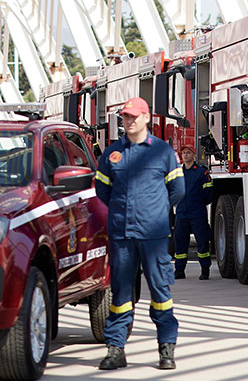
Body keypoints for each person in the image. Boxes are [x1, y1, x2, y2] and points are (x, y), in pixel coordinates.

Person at [94, 97, 184, 371]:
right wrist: (123, 211)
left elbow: (178, 190)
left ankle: (166, 348)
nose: (129, 121)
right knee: (121, 293)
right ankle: (115, 348)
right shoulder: (112, 154)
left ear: (146, 118)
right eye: (125, 117)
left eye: (133, 116)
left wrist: (156, 211)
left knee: (160, 291)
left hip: (153, 235)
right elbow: (102, 190)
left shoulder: (163, 152)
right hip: (121, 234)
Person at [172, 146, 213, 280]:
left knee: (202, 242)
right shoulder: (177, 173)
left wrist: (199, 205)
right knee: (180, 243)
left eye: (188, 153)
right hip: (181, 213)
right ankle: (179, 271)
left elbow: (209, 194)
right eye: (183, 153)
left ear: (194, 155)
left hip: (197, 213)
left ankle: (205, 270)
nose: (185, 155)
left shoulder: (202, 173)